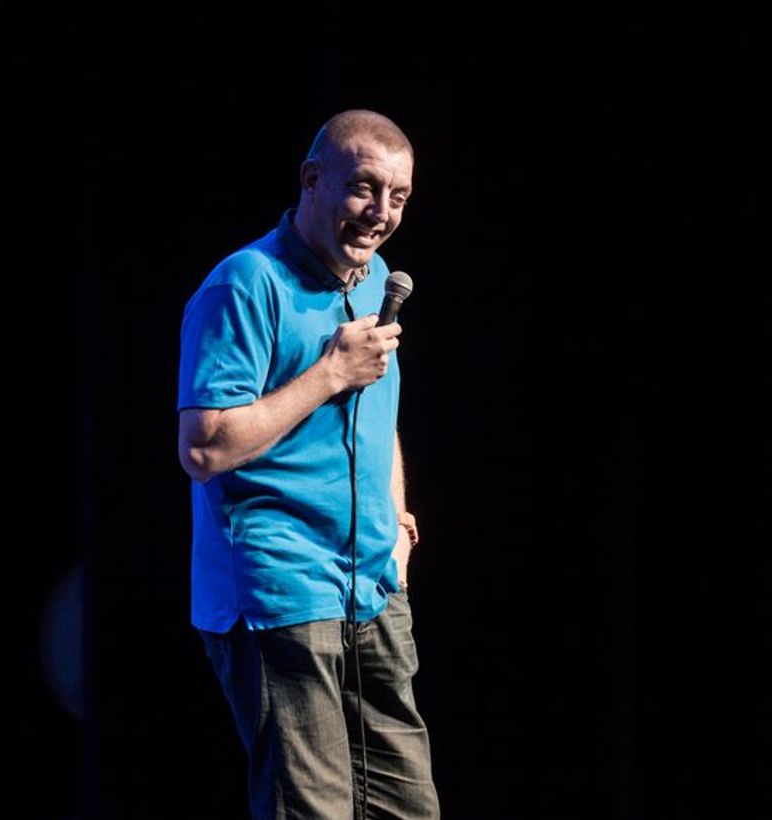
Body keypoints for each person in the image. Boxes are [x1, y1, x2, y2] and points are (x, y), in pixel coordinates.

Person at [176, 110, 440, 818]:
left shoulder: (375, 275)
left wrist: (394, 515)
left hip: (372, 584)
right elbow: (204, 447)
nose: (380, 214)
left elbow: (378, 413)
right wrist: (328, 373)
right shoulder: (245, 285)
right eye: (363, 188)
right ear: (312, 181)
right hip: (282, 594)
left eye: (399, 197)